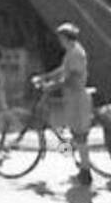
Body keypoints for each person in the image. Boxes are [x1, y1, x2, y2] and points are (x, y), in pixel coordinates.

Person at [35, 22, 93, 185]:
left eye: (60, 38)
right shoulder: (71, 52)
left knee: (80, 136)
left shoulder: (75, 53)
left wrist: (53, 85)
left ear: (66, 38)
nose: (59, 41)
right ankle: (74, 158)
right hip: (71, 98)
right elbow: (62, 70)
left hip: (77, 98)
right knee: (75, 134)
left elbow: (71, 78)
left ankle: (86, 172)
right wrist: (45, 77)